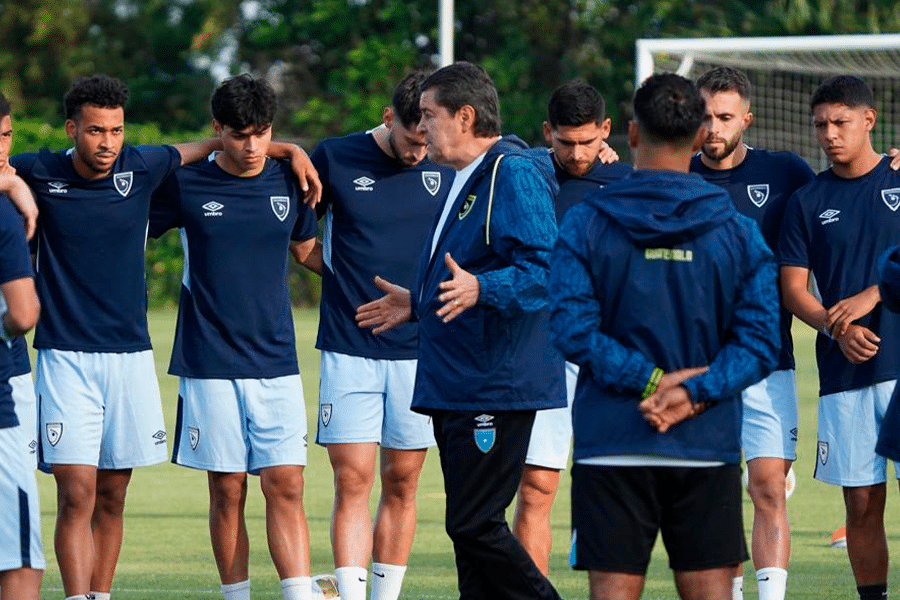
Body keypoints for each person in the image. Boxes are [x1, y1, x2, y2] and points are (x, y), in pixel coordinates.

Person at [10, 73, 320, 600]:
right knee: (78, 492)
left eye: (116, 131)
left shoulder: (147, 166)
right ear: (71, 129)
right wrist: (13, 184)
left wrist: (288, 148)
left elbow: (206, 149)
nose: (107, 142)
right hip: (69, 355)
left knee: (115, 493)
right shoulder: (42, 170)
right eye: (95, 130)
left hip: (137, 357)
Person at [550, 72, 780, 600]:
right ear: (699, 136)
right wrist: (691, 391)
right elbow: (761, 342)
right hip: (705, 443)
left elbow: (570, 328)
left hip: (612, 440)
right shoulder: (739, 231)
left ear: (631, 132)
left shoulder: (585, 222)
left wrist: (651, 381)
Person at [357, 61, 565, 600]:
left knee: (474, 524)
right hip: (459, 382)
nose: (420, 126)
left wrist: (483, 288)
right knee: (469, 539)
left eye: (429, 115)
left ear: (465, 117)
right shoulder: (463, 176)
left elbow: (547, 272)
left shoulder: (511, 173)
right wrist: (419, 303)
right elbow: (469, 274)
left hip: (494, 383)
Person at [149, 73, 321, 600]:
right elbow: (127, 204)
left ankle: (299, 594)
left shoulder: (290, 179)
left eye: (262, 133)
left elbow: (306, 251)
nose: (251, 147)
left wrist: (372, 286)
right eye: (239, 135)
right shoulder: (186, 184)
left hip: (276, 359)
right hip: (208, 360)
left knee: (286, 483)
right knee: (227, 488)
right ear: (217, 128)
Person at [309, 71, 450, 600]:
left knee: (403, 480)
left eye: (428, 140)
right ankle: (350, 594)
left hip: (419, 350)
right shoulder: (335, 156)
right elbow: (299, 238)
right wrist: (346, 282)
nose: (420, 152)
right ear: (389, 118)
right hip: (350, 348)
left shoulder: (447, 160)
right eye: (412, 140)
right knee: (352, 479)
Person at [688, 66, 815, 600]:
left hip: (767, 359)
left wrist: (890, 168)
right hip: (697, 363)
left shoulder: (785, 171)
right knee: (714, 493)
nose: (713, 127)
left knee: (767, 488)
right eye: (705, 117)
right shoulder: (674, 175)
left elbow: (848, 191)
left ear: (747, 119)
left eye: (725, 117)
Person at [779, 75, 900, 600]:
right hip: (844, 373)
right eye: (821, 124)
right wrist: (837, 326)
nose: (829, 134)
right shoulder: (807, 200)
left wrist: (875, 293)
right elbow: (792, 289)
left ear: (868, 120)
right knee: (861, 506)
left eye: (841, 122)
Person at [512, 79, 632, 576]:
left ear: (606, 130)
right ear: (547, 132)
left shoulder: (626, 181)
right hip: (544, 352)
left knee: (612, 485)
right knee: (537, 486)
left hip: (609, 354)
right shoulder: (525, 175)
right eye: (566, 142)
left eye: (588, 141)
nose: (578, 154)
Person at [0, 91, 44, 600]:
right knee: (20, 562)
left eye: (7, 135)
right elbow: (24, 314)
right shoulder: (4, 215)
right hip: (2, 399)